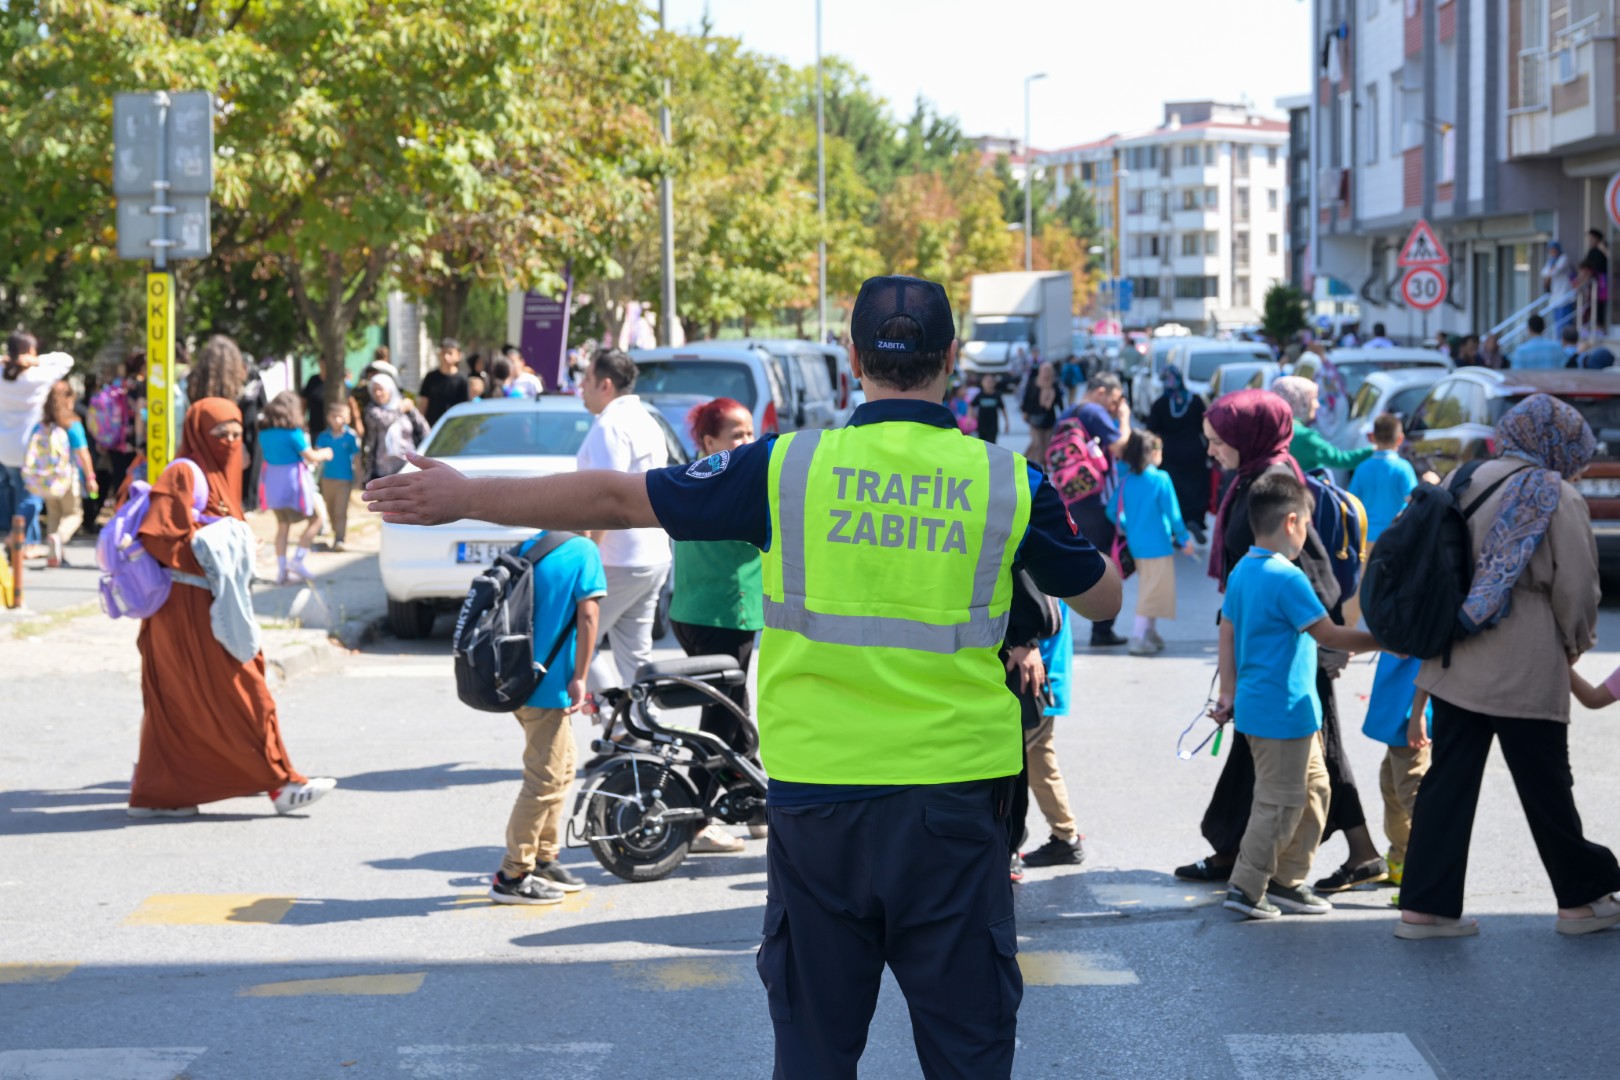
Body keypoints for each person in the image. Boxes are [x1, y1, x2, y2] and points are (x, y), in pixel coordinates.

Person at [363, 273, 1122, 1080]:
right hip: (954, 806)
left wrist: (466, 494)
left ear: (853, 355)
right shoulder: (1005, 482)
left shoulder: (784, 469)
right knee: (968, 1049)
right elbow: (1102, 593)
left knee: (814, 1051)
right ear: (953, 359)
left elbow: (619, 500)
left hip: (819, 805)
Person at [1398, 394, 1620, 939]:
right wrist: (1574, 645)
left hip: (1457, 653)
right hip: (1524, 658)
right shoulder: (1558, 494)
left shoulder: (1465, 477)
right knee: (1546, 785)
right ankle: (1581, 901)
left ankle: (1424, 910)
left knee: (1448, 783)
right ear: (1559, 444)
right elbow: (1577, 588)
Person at [1175, 390, 1386, 892]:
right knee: (1288, 759)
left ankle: (1260, 869)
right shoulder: (1255, 475)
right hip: (1273, 647)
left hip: (1293, 649)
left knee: (1315, 760)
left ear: (1247, 437)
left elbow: (1312, 576)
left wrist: (1316, 633)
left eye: (1217, 442)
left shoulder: (1275, 484)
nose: (1211, 452)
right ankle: (1251, 854)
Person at [128, 398, 335, 818]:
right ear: (198, 435)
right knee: (244, 689)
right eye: (220, 433)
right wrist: (219, 548)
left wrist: (236, 543)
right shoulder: (184, 472)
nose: (230, 441)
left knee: (181, 701)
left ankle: (161, 794)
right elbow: (160, 537)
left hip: (212, 602)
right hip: (186, 607)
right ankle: (282, 782)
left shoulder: (219, 476)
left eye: (237, 433)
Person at [1216, 471, 1386, 919]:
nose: (1309, 533)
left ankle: (1287, 880)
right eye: (1308, 524)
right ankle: (1247, 887)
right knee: (1279, 801)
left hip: (1278, 710)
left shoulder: (1244, 570)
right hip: (1280, 712)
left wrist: (1227, 691)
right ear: (1292, 521)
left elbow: (1227, 629)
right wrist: (1384, 639)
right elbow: (1328, 633)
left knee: (1314, 790)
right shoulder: (1286, 577)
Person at [669, 397, 765, 856]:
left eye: (750, 433)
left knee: (737, 719)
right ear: (709, 442)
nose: (748, 442)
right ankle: (696, 819)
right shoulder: (736, 484)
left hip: (692, 611)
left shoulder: (695, 477)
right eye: (737, 435)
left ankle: (759, 807)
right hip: (726, 614)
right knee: (720, 723)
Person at [489, 526, 605, 905]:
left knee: (563, 768)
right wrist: (580, 677)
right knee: (545, 779)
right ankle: (513, 873)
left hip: (518, 677)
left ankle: (544, 857)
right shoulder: (585, 550)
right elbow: (588, 615)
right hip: (549, 685)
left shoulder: (533, 545)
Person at [575, 350, 672, 698]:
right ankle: (643, 729)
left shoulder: (610, 425)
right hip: (653, 553)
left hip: (618, 557)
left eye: (585, 380)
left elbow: (605, 497)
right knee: (635, 656)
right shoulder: (646, 419)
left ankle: (614, 719)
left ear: (605, 384)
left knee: (573, 641)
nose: (580, 388)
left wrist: (587, 552)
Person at [1059, 372, 1133, 648]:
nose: (1115, 406)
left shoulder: (1069, 412)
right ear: (1101, 391)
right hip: (1096, 500)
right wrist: (1124, 418)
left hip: (1073, 497)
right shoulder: (1094, 412)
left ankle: (1086, 626)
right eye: (1114, 400)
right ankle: (1102, 629)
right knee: (1106, 561)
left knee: (1084, 557)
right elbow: (1122, 448)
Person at [1109, 431, 1194, 657]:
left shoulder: (1127, 481)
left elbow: (1111, 511)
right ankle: (1138, 636)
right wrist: (1184, 539)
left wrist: (1129, 527)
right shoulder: (1160, 479)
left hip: (1137, 545)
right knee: (1151, 593)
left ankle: (1150, 633)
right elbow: (1173, 513)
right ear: (1153, 452)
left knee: (1151, 589)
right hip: (1158, 545)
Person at [1019, 604, 1083, 868]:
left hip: (1035, 683)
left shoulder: (1032, 575)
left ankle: (1009, 846)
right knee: (1039, 762)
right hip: (1042, 680)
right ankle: (1066, 838)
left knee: (1008, 767)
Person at [1363, 654, 1430, 894]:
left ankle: (1425, 875)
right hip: (1402, 698)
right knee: (1392, 784)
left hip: (1411, 703)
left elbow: (1430, 654)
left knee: (1412, 791)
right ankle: (1401, 859)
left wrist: (1418, 714)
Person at [0, 333, 72, 550]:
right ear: (29, 352)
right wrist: (38, 361)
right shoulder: (37, 376)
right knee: (32, 496)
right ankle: (16, 537)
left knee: (16, 490)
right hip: (30, 450)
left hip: (4, 447)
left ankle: (27, 543)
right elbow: (66, 360)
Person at [258, 391, 333, 584]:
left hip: (272, 482)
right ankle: (298, 559)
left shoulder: (264, 433)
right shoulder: (294, 433)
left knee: (282, 525)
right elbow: (311, 457)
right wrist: (325, 453)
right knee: (317, 519)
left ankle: (281, 571)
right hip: (293, 482)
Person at [24, 379, 97, 566]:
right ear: (69, 399)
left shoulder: (41, 426)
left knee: (54, 516)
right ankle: (59, 538)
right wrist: (90, 477)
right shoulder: (72, 425)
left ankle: (54, 556)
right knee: (74, 514)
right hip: (67, 478)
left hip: (46, 479)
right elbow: (83, 454)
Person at [1146, 365, 1209, 545]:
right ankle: (1195, 520)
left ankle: (1178, 528)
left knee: (1175, 491)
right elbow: (1205, 427)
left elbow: (1151, 430)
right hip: (1195, 452)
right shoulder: (1195, 401)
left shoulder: (1159, 404)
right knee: (1196, 489)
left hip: (1169, 454)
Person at [1272, 376, 1374, 475]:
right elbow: (1341, 460)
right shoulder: (1305, 437)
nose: (1317, 405)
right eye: (1313, 399)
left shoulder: (1271, 429)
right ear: (1301, 403)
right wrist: (1375, 449)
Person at [1349, 413, 1419, 542]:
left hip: (1366, 536)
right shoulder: (1403, 468)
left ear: (1372, 437)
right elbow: (1413, 500)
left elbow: (1351, 501)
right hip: (1394, 536)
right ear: (1400, 439)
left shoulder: (1362, 468)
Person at [361, 373, 428, 482]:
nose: (378, 394)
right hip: (383, 469)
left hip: (408, 465)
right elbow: (383, 421)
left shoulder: (406, 407)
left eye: (381, 389)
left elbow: (423, 428)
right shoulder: (372, 410)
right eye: (374, 390)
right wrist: (400, 410)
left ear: (390, 389)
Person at [315, 404, 361, 551]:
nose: (337, 420)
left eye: (341, 417)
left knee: (340, 510)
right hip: (327, 478)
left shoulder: (351, 436)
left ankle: (340, 539)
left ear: (347, 418)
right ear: (328, 418)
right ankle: (335, 532)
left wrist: (359, 476)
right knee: (330, 509)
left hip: (345, 478)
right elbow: (316, 455)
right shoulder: (323, 436)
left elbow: (357, 457)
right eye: (334, 416)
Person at [417, 338, 469, 426]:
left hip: (453, 427)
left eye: (450, 353)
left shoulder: (462, 380)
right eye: (443, 353)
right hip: (432, 427)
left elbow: (465, 407)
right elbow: (423, 403)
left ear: (458, 355)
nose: (446, 357)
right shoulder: (430, 377)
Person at [1022, 361, 1059, 461]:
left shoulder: (1054, 384)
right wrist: (1025, 412)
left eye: (1048, 370)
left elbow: (1059, 401)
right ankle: (1023, 461)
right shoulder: (1033, 382)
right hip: (1034, 417)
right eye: (1044, 370)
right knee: (1036, 443)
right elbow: (1026, 398)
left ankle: (1042, 465)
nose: (1046, 373)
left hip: (1049, 418)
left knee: (1046, 444)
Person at [1576, 228, 1609, 331]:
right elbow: (1586, 266)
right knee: (1590, 304)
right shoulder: (1591, 251)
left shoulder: (1604, 248)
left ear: (1597, 239)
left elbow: (1612, 259)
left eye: (1591, 239)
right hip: (1592, 284)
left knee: (1600, 305)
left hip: (1603, 282)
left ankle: (1600, 326)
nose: (1590, 241)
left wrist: (1603, 248)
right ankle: (1590, 326)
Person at [1544, 240, 1576, 335]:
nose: (1552, 252)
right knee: (1558, 323)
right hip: (1556, 295)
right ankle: (1561, 340)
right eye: (1550, 250)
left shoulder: (1564, 258)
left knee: (1565, 322)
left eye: (1554, 250)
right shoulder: (1550, 261)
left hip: (1565, 294)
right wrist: (1551, 269)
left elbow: (1555, 271)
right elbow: (1544, 272)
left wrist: (1551, 270)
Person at [973, 372, 1008, 444]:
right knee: (982, 444)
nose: (988, 383)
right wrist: (970, 418)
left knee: (992, 444)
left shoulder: (997, 395)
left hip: (993, 426)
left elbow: (1003, 408)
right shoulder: (980, 395)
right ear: (982, 383)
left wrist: (1006, 423)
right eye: (986, 381)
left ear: (994, 383)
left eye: (990, 382)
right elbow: (971, 405)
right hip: (981, 425)